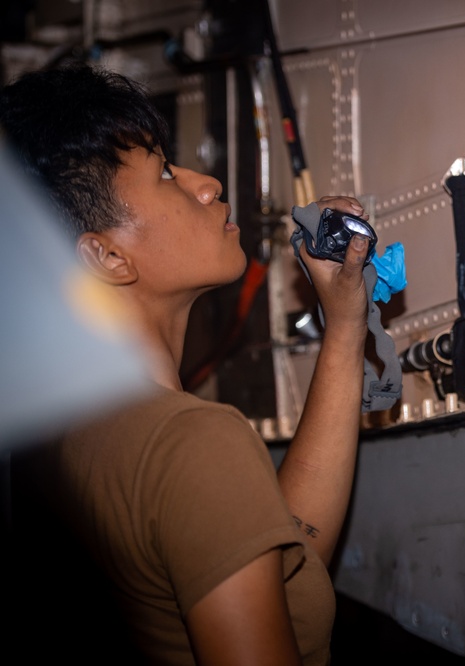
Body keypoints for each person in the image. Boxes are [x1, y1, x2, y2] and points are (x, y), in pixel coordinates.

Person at [0, 63, 367, 664]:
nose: (207, 183)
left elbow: (275, 567)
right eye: (166, 174)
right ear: (106, 255)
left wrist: (345, 329)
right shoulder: (194, 442)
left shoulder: (56, 439)